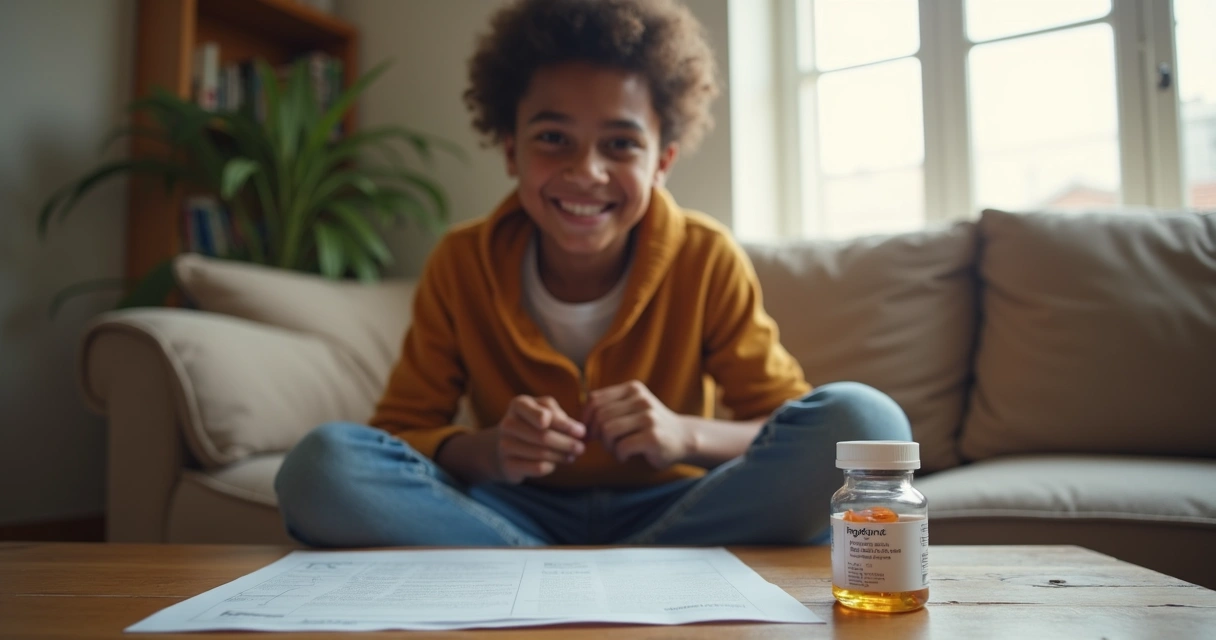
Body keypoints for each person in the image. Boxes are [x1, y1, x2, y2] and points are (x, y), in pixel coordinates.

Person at [275, 0, 911, 547]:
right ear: (511, 151)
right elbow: (403, 430)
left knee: (866, 424)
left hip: (678, 508)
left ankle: (570, 569)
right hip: (510, 511)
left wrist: (683, 433)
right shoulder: (462, 262)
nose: (587, 171)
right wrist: (491, 449)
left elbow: (782, 420)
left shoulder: (704, 256)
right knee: (321, 465)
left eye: (620, 144)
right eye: (553, 138)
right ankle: (576, 568)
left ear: (662, 160)